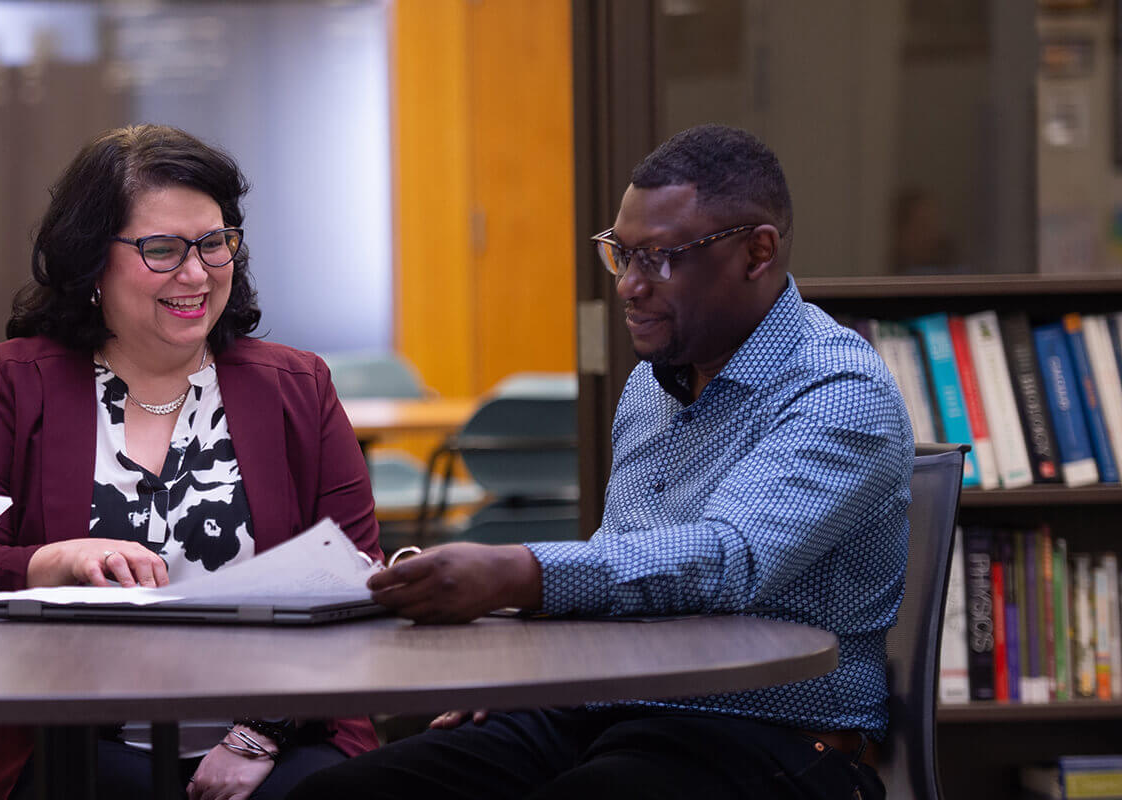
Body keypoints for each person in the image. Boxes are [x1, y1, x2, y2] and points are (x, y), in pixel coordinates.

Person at [290, 124, 912, 800]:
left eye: (660, 259)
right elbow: (629, 562)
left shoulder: (838, 389)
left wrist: (517, 572)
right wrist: (530, 668)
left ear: (756, 252)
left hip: (766, 734)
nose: (628, 286)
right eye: (621, 254)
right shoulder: (654, 382)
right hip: (609, 707)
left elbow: (727, 560)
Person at [0, 124, 382, 800]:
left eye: (214, 243)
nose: (195, 273)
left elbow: (357, 586)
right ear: (91, 262)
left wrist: (260, 736)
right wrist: (48, 563)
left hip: (282, 736)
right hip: (63, 743)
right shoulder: (11, 383)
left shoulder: (298, 388)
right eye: (161, 249)